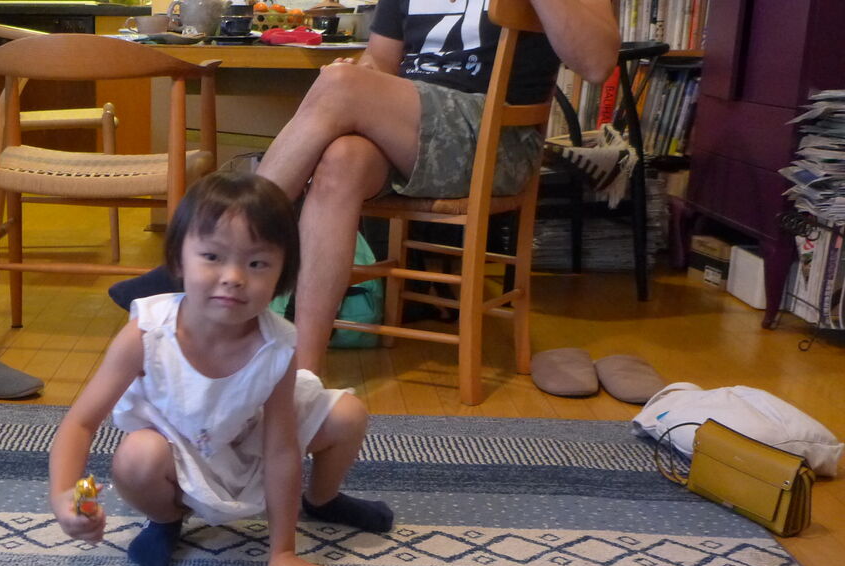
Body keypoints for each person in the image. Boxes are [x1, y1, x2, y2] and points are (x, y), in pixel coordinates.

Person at [111, 0, 620, 375]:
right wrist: (358, 78)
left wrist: (346, 88)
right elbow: (382, 62)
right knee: (342, 160)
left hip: (497, 140)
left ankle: (209, 252)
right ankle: (303, 374)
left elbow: (598, 62)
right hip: (412, 132)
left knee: (339, 88)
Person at [51, 171, 392, 566]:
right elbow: (81, 423)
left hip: (247, 437)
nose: (233, 276)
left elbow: (281, 448)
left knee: (348, 414)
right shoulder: (147, 332)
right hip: (176, 448)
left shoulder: (278, 346)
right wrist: (63, 495)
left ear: (283, 275)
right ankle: (166, 519)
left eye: (257, 263)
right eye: (212, 256)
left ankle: (322, 500)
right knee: (136, 457)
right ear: (178, 260)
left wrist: (283, 550)